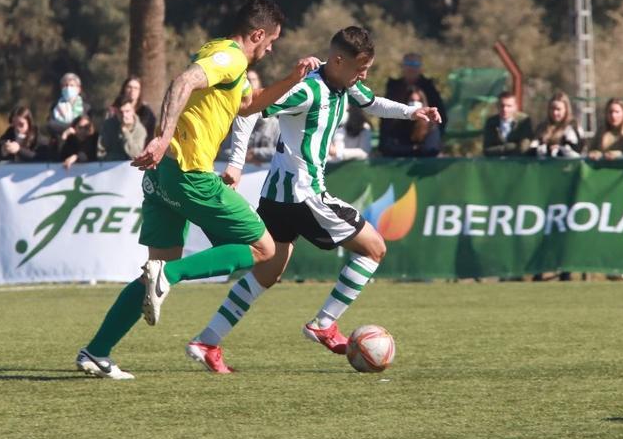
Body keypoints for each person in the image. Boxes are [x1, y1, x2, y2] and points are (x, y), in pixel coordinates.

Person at [76, 0, 306, 380]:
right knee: (263, 249)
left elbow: (248, 105)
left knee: (154, 270)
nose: (272, 48)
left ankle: (97, 351)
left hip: (162, 177)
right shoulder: (230, 57)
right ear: (258, 33)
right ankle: (172, 277)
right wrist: (164, 136)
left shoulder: (224, 57)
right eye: (272, 41)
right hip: (188, 173)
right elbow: (183, 81)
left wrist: (290, 80)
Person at [188, 26, 442, 373]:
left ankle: (207, 340)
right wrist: (235, 162)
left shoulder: (345, 82)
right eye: (360, 69)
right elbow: (248, 108)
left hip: (277, 197)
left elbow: (373, 103)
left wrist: (413, 112)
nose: (364, 75)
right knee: (375, 248)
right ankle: (323, 323)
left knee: (267, 271)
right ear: (337, 60)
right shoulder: (307, 89)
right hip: (305, 195)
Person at [379, 52, 447, 156]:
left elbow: (441, 117)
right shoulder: (394, 88)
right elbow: (385, 118)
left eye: (415, 64)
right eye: (408, 63)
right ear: (403, 66)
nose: (411, 67)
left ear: (420, 67)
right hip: (398, 137)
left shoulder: (429, 88)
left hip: (424, 137)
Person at [221, 70, 281, 167]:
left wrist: (255, 153)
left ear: (259, 83)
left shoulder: (275, 124)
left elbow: (282, 151)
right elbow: (223, 151)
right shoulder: (236, 119)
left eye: (253, 79)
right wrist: (244, 157)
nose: (251, 82)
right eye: (247, 80)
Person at [530, 91, 583, 157]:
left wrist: (560, 149)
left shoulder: (573, 127)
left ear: (566, 110)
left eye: (558, 109)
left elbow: (577, 152)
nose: (555, 113)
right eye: (552, 109)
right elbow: (532, 148)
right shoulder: (542, 128)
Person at [483, 91, 533, 157]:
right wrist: (511, 146)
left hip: (518, 163)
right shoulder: (491, 122)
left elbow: (523, 148)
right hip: (496, 163)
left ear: (515, 107)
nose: (504, 109)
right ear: (497, 106)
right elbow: (487, 150)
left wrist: (500, 149)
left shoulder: (524, 121)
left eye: (509, 106)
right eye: (502, 106)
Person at [109, 77, 158, 145]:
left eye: (136, 88)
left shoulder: (146, 112)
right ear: (124, 89)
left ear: (140, 91)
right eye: (129, 87)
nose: (132, 90)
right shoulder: (113, 110)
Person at [47, 72, 88, 140]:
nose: (68, 88)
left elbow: (87, 126)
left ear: (79, 89)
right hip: (60, 142)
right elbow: (50, 124)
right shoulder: (55, 106)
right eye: (65, 85)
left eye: (72, 85)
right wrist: (71, 129)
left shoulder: (86, 107)